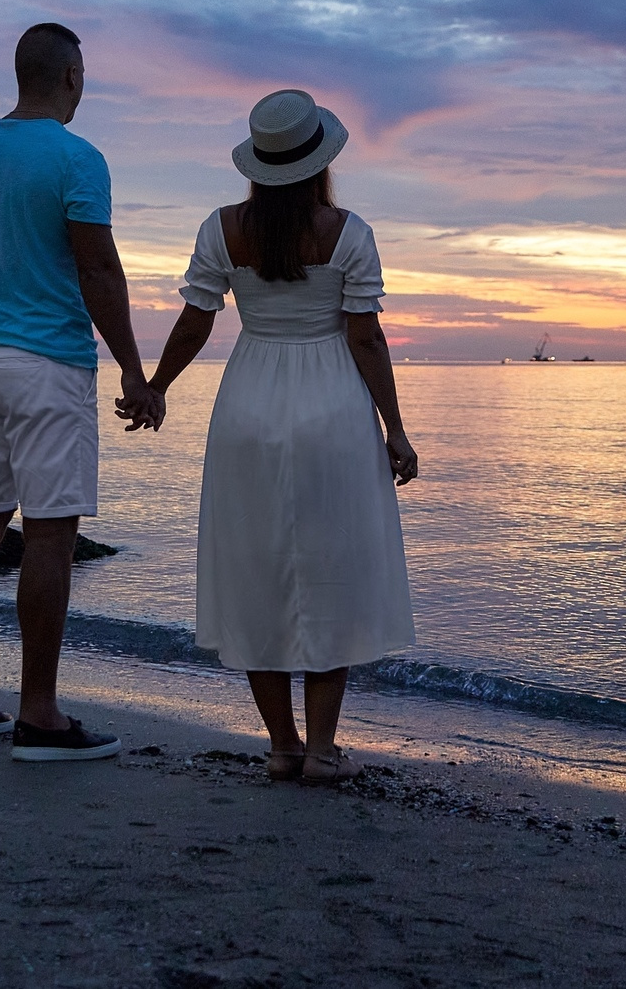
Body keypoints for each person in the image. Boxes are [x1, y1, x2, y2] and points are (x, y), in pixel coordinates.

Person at [140, 88, 419, 785]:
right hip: (332, 410)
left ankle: (282, 746)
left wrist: (156, 388)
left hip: (248, 407)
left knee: (256, 572)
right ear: (319, 160)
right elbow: (365, 336)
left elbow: (196, 321)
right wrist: (397, 431)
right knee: (331, 570)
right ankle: (323, 749)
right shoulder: (349, 232)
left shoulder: (222, 228)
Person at [0, 21, 161, 761]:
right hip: (48, 364)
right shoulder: (76, 160)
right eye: (84, 73)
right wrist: (133, 367)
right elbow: (98, 272)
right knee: (52, 531)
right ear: (69, 76)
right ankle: (40, 715)